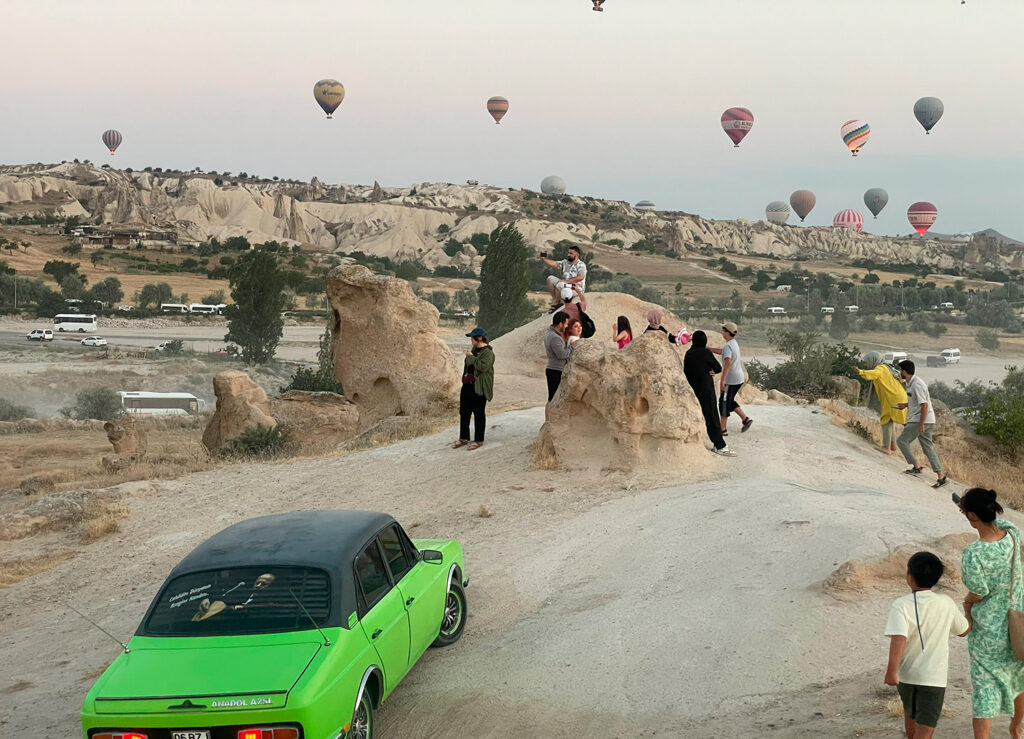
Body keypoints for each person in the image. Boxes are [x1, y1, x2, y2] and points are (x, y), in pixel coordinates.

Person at [957, 488, 1024, 738]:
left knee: (984, 687)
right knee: (1018, 676)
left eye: (964, 511)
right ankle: (1016, 728)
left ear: (972, 516)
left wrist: (966, 604)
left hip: (989, 630)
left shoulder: (974, 552)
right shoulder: (1013, 535)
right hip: (1017, 620)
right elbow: (1003, 522)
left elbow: (978, 591)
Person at [884, 552, 970, 739]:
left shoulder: (901, 605)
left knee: (911, 715)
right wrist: (969, 611)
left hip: (906, 676)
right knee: (926, 729)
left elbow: (899, 638)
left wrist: (892, 672)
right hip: (933, 678)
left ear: (909, 577)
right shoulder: (946, 603)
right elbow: (963, 630)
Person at [894, 360, 948, 488]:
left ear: (905, 371)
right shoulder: (912, 382)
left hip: (921, 419)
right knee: (927, 448)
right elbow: (917, 401)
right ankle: (941, 477)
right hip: (926, 419)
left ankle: (916, 467)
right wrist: (905, 405)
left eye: (900, 370)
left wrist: (920, 425)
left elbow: (924, 405)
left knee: (902, 441)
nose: (899, 373)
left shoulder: (917, 384)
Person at [683, 330, 734, 456]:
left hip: (692, 389)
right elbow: (718, 367)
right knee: (712, 416)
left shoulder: (688, 353)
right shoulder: (705, 352)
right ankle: (719, 445)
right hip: (706, 389)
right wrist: (711, 370)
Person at [855, 351, 908, 454]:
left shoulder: (880, 369)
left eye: (867, 362)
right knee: (890, 420)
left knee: (886, 420)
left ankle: (886, 447)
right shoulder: (887, 367)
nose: (866, 365)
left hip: (893, 398)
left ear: (873, 361)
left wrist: (860, 372)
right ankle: (893, 446)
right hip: (898, 396)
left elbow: (873, 374)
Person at [453, 327, 494, 451]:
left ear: (479, 338)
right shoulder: (474, 349)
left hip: (479, 387)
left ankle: (478, 440)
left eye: (472, 337)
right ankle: (463, 437)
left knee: (478, 413)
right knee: (464, 412)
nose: (471, 340)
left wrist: (470, 357)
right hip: (467, 386)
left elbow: (483, 367)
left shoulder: (488, 352)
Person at [710, 322, 752, 435]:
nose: (722, 332)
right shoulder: (733, 343)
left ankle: (722, 430)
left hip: (731, 380)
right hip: (738, 379)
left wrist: (723, 381)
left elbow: (728, 362)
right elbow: (723, 352)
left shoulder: (728, 345)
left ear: (727, 333)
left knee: (723, 403)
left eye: (723, 330)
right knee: (729, 400)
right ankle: (745, 419)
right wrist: (709, 349)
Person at [541, 246, 587, 312]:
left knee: (560, 284)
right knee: (550, 279)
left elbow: (581, 277)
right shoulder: (565, 262)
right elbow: (554, 264)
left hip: (575, 288)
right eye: (568, 253)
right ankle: (557, 301)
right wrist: (544, 259)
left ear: (577, 255)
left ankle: (556, 304)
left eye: (571, 253)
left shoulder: (581, 265)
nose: (568, 255)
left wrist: (567, 281)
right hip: (565, 285)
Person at [545, 311, 573, 420]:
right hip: (556, 370)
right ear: (560, 324)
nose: (566, 326)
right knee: (554, 398)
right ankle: (550, 422)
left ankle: (548, 422)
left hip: (553, 369)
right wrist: (572, 347)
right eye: (566, 323)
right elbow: (562, 355)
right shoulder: (554, 337)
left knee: (552, 398)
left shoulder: (551, 333)